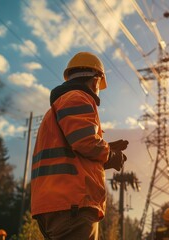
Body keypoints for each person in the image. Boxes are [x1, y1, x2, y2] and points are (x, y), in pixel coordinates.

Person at [31, 51, 129, 240]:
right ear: (95, 80)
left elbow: (75, 149)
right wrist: (110, 154)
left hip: (56, 204)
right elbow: (85, 141)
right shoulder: (78, 97)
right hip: (73, 204)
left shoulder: (59, 107)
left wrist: (104, 151)